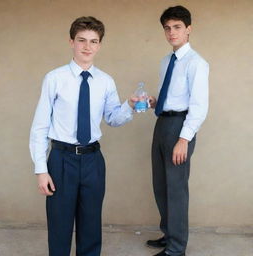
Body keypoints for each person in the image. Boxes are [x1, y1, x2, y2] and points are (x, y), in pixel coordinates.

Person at [29, 16, 136, 256]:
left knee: (90, 224)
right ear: (71, 42)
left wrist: (128, 105)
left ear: (99, 45)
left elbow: (113, 118)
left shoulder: (106, 82)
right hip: (61, 159)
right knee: (60, 224)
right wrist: (41, 169)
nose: (87, 47)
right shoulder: (54, 79)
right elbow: (39, 126)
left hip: (93, 161)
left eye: (93, 41)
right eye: (82, 40)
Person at [146, 6, 209, 256]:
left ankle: (176, 249)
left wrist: (184, 139)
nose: (171, 32)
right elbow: (170, 97)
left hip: (180, 128)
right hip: (162, 123)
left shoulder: (197, 63)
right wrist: (154, 102)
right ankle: (169, 234)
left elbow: (199, 106)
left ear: (188, 29)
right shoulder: (166, 61)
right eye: (167, 28)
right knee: (160, 185)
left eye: (177, 27)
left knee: (176, 189)